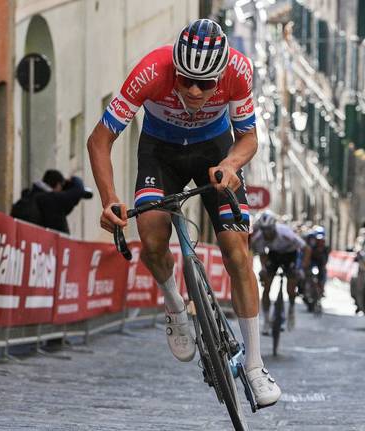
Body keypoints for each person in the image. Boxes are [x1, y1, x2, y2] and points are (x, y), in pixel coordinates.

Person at [86, 19, 281, 407]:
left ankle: (256, 367)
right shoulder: (150, 72)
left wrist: (230, 164)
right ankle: (175, 303)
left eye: (205, 84)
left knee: (237, 252)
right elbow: (99, 140)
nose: (194, 90)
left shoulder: (239, 72)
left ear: (220, 75)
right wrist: (109, 200)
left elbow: (249, 137)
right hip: (161, 153)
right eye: (185, 80)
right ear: (173, 68)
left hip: (214, 151)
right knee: (153, 239)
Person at [250, 211, 307, 333]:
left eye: (269, 230)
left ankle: (291, 308)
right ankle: (266, 320)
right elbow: (262, 255)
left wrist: (301, 267)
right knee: (266, 285)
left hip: (290, 255)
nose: (266, 233)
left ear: (274, 227)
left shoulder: (286, 233)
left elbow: (305, 248)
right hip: (274, 255)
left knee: (291, 287)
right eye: (263, 230)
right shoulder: (259, 238)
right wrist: (264, 269)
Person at [10, 169, 91, 234]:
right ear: (58, 185)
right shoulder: (50, 199)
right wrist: (73, 179)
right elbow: (78, 191)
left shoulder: (29, 195)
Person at [304, 226, 330, 296]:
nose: (320, 241)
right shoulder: (310, 245)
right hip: (311, 263)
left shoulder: (325, 248)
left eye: (321, 240)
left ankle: (321, 288)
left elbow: (325, 260)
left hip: (320, 264)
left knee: (323, 273)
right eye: (318, 239)